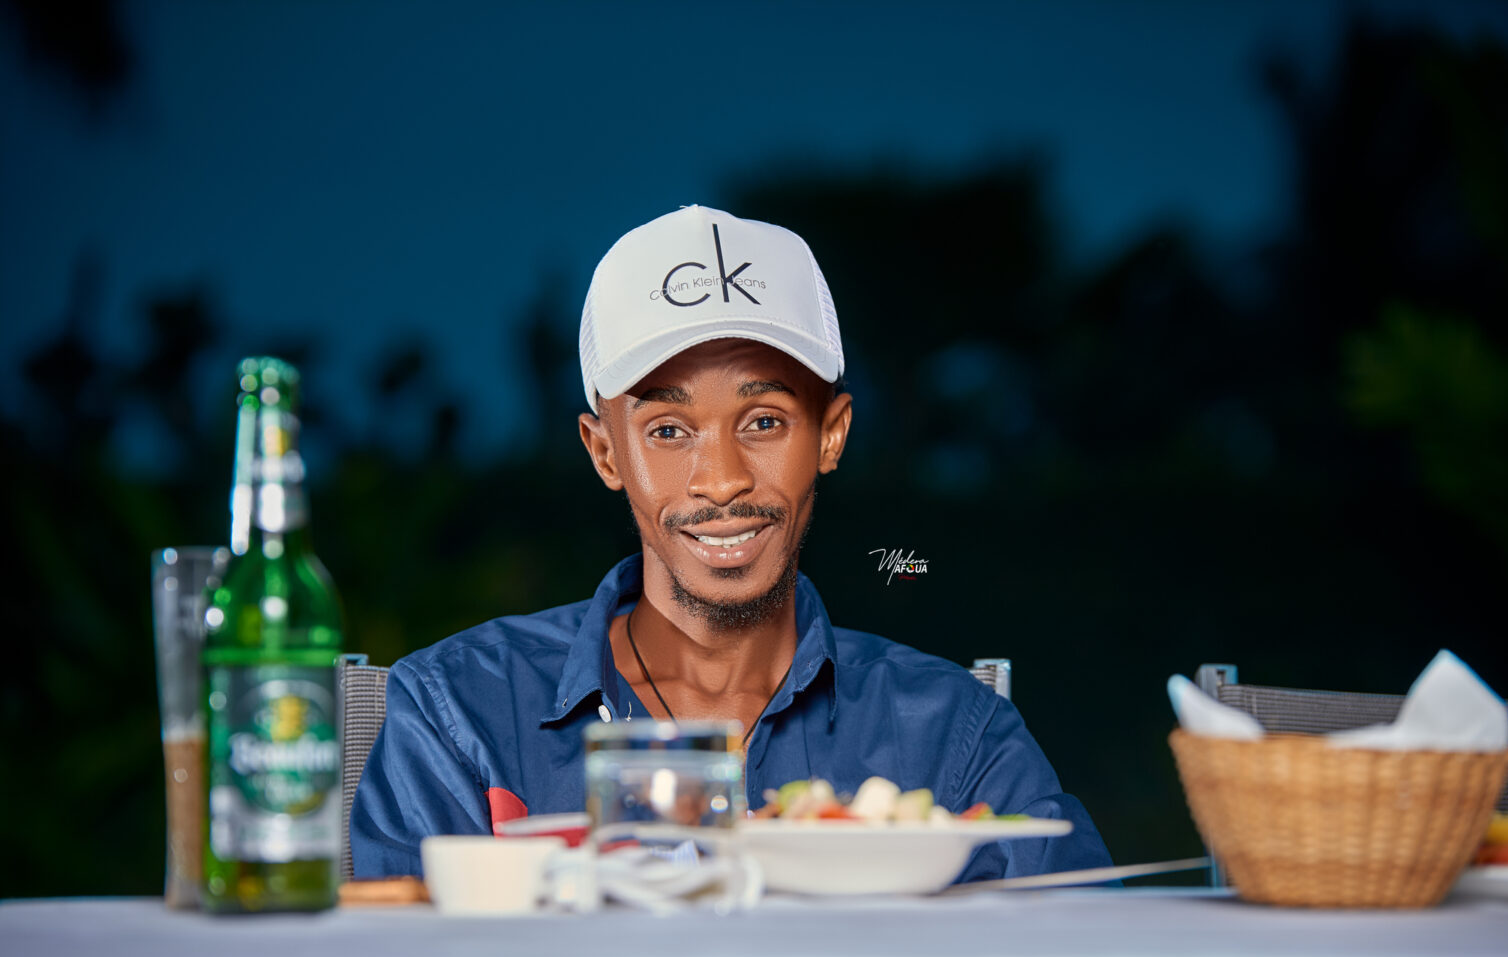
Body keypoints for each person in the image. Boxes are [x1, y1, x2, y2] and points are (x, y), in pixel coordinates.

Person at [350, 205, 1113, 881]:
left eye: (764, 421)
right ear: (605, 452)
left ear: (832, 434)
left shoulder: (950, 732)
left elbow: (1096, 953)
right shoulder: (461, 713)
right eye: (668, 430)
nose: (721, 480)